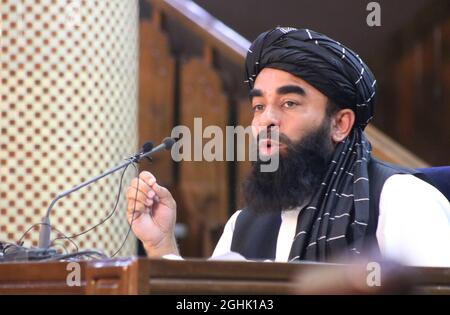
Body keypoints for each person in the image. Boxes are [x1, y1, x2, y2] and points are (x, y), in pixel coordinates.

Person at [125, 27, 450, 267]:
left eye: (289, 103)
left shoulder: (400, 199)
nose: (267, 121)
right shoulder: (243, 224)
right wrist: (161, 244)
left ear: (340, 124)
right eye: (258, 107)